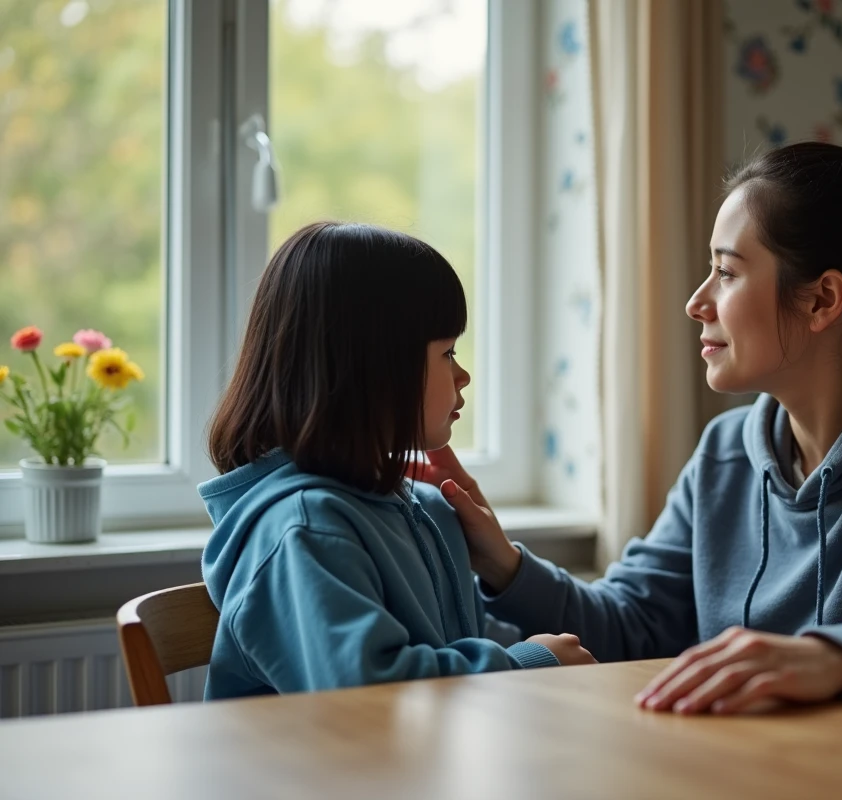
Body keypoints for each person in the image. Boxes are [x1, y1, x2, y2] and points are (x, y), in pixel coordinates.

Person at [418, 143, 842, 714]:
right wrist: (501, 561)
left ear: (822, 300)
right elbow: (633, 623)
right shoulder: (726, 453)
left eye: (726, 272)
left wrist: (834, 656)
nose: (697, 302)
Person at [198, 221, 594, 700]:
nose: (463, 375)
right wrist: (526, 665)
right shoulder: (303, 530)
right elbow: (369, 698)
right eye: (448, 353)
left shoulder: (427, 509)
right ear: (374, 366)